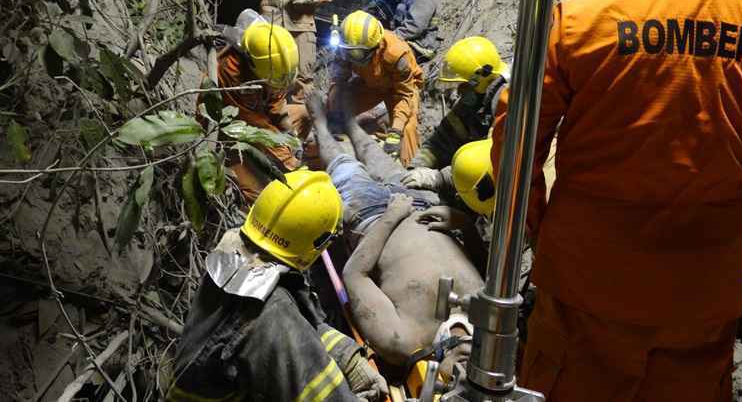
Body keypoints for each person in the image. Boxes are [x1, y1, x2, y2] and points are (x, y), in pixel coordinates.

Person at [491, 0, 742, 398]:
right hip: (704, 295)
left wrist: (541, 226)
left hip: (587, 287)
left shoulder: (588, 15)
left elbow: (516, 141)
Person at [305, 89, 487, 373]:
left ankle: (319, 122)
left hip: (373, 217)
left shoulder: (402, 342)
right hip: (422, 203)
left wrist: (391, 217)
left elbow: (354, 274)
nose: (465, 370)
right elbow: (483, 261)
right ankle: (351, 124)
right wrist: (462, 222)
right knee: (375, 155)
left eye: (457, 378)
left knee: (343, 166)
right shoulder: (492, 322)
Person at [167, 169, 388, 402]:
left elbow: (302, 322)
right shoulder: (273, 313)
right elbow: (317, 384)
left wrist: (348, 359)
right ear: (318, 243)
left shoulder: (233, 254)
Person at [198, 15, 304, 204]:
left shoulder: (272, 59)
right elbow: (254, 125)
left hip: (256, 118)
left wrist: (290, 133)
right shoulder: (230, 72)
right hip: (228, 131)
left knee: (303, 115)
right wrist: (290, 161)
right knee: (255, 193)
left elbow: (276, 100)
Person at [405, 37, 508, 189]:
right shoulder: (475, 99)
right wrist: (417, 167)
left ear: (480, 78)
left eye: (462, 86)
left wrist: (440, 178)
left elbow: (493, 161)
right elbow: (441, 140)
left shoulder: (505, 104)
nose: (458, 92)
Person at [328, 10, 424, 166]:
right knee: (339, 104)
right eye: (348, 52)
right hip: (371, 83)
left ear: (373, 47)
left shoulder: (397, 54)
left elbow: (404, 95)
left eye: (357, 54)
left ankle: (411, 169)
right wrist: (332, 114)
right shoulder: (347, 47)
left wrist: (395, 132)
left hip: (400, 89)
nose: (351, 58)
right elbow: (338, 83)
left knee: (407, 129)